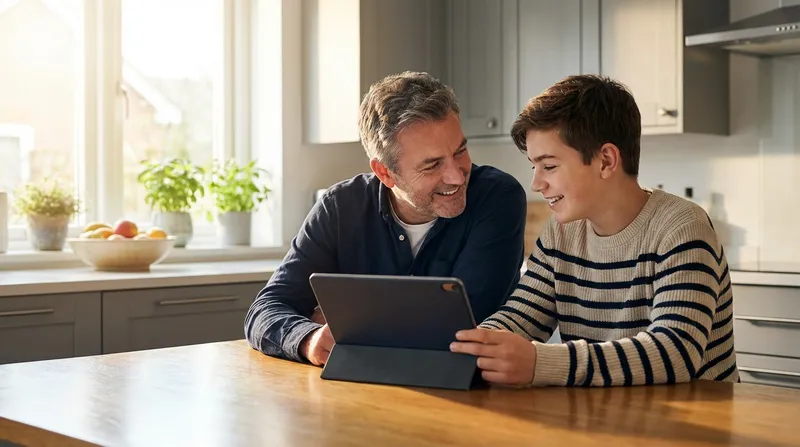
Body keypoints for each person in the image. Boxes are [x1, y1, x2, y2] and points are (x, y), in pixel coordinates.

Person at [450, 74, 738, 387]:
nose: (536, 183)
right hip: (609, 422)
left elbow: (673, 353)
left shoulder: (681, 228)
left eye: (549, 166)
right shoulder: (562, 233)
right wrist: (468, 343)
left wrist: (540, 363)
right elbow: (521, 316)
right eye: (534, 167)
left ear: (605, 161)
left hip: (695, 426)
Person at [245, 71, 527, 366]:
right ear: (385, 173)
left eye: (460, 151)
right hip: (358, 393)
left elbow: (465, 326)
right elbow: (265, 310)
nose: (456, 176)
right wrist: (308, 338)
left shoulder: (498, 198)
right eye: (432, 166)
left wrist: (353, 323)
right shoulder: (340, 206)